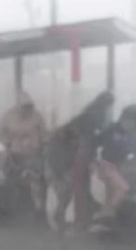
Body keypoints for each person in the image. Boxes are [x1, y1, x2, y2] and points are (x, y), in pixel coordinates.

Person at [46, 91, 115, 234]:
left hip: (70, 158)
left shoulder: (88, 115)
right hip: (68, 159)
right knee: (76, 190)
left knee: (74, 190)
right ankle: (80, 221)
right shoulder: (94, 116)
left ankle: (72, 218)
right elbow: (87, 140)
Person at [90, 104, 136, 234]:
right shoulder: (111, 130)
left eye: (132, 121)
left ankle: (103, 222)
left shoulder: (135, 137)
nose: (129, 123)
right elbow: (94, 142)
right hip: (106, 164)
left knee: (112, 194)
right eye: (127, 120)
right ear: (122, 119)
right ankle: (105, 216)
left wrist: (131, 166)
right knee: (122, 188)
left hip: (120, 168)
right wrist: (92, 161)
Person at [0, 93, 47, 223]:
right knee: (10, 180)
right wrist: (7, 142)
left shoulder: (36, 116)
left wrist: (39, 144)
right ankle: (9, 208)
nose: (27, 110)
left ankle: (39, 209)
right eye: (24, 107)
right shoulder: (9, 116)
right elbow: (0, 131)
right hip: (14, 153)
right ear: (18, 107)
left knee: (36, 180)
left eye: (29, 107)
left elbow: (44, 132)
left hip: (32, 152)